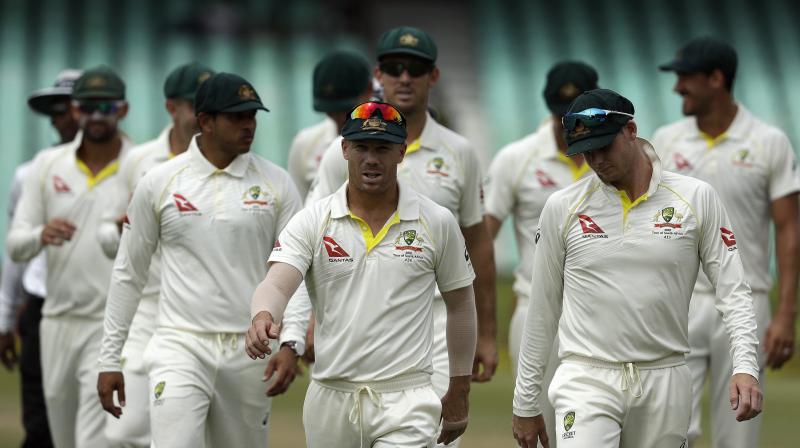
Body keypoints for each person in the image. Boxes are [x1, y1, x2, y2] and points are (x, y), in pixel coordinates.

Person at [512, 89, 762, 448]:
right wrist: (525, 401)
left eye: (603, 146)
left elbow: (734, 291)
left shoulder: (695, 198)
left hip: (667, 376)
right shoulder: (562, 207)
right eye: (586, 153)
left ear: (630, 130)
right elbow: (543, 309)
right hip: (586, 377)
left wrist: (745, 367)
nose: (595, 160)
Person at [287, 31, 497, 443]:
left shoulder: (459, 153)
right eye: (395, 68)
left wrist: (486, 334)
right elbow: (309, 237)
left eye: (415, 69)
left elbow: (478, 243)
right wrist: (302, 323)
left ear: (432, 76)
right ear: (378, 74)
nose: (404, 78)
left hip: (437, 326)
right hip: (362, 330)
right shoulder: (338, 152)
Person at [246, 101, 477, 447]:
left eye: (382, 149)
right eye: (362, 148)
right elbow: (278, 283)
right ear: (344, 149)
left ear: (401, 152)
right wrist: (263, 314)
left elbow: (460, 305)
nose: (371, 159)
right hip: (331, 397)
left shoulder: (437, 221)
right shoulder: (313, 220)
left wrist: (459, 388)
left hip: (407, 398)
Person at [96, 72, 301, 447]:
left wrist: (291, 343)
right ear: (205, 121)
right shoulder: (159, 182)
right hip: (180, 343)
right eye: (237, 117)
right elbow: (129, 273)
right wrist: (110, 358)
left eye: (252, 116)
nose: (249, 125)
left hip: (249, 348)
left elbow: (297, 270)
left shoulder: (278, 183)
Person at [653, 36, 800, 447]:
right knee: (669, 431)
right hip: (679, 301)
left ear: (717, 78)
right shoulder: (665, 141)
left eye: (686, 78)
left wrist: (786, 314)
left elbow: (789, 227)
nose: (676, 87)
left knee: (737, 436)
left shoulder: (768, 141)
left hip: (746, 300)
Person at [6, 65, 133, 448]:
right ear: (75, 110)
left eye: (106, 108)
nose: (96, 116)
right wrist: (40, 235)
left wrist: (122, 230)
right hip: (55, 320)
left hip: (107, 323)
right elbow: (15, 245)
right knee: (60, 438)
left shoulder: (140, 165)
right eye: (88, 107)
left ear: (123, 110)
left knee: (93, 439)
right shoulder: (46, 166)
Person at [96, 62, 214, 447]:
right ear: (171, 107)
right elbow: (105, 239)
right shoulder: (140, 161)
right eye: (193, 105)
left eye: (209, 105)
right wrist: (120, 226)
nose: (201, 114)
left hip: (201, 314)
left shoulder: (228, 164)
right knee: (124, 432)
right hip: (146, 312)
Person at [483, 60, 597, 444]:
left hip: (605, 314)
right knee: (540, 430)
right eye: (559, 113)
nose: (566, 125)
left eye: (576, 115)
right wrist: (482, 327)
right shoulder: (517, 158)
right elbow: (482, 239)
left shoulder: (616, 158)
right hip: (537, 309)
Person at [0, 68, 82, 448]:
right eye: (55, 110)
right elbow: (18, 249)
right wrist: (6, 314)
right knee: (41, 422)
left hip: (99, 308)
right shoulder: (29, 173)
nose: (58, 118)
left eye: (65, 107)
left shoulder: (133, 167)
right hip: (42, 305)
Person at [288, 50, 373, 198]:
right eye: (331, 110)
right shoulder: (305, 143)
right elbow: (299, 209)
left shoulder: (394, 138)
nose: (340, 118)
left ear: (369, 90)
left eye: (347, 109)